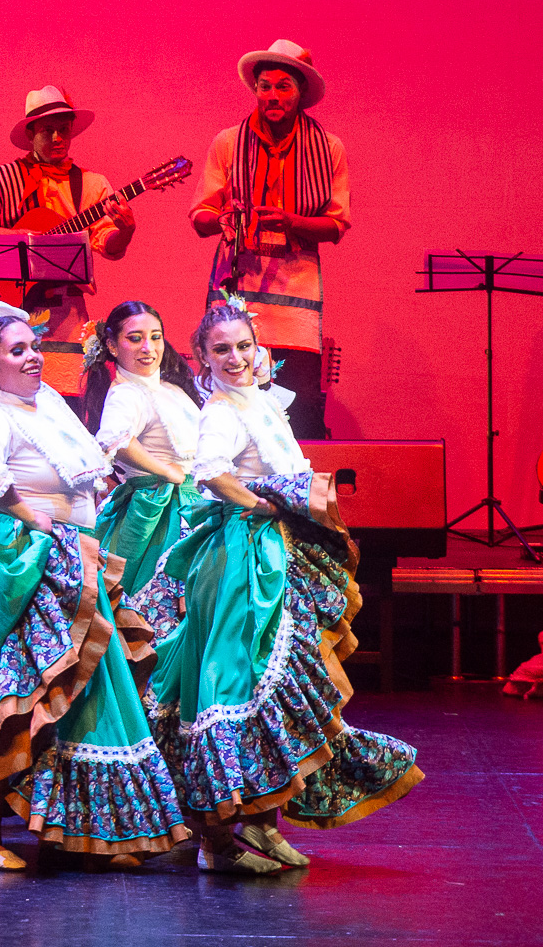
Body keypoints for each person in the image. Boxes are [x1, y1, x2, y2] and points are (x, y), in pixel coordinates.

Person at [0, 301, 187, 869]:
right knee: (12, 696)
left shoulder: (48, 404)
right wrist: (40, 520)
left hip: (68, 561)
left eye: (35, 347)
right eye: (19, 351)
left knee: (82, 693)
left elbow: (89, 472)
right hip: (17, 563)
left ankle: (90, 830)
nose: (34, 358)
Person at [147, 300, 421, 874]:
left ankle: (263, 823)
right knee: (235, 685)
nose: (235, 357)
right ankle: (216, 841)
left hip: (272, 555)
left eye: (243, 346)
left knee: (276, 687)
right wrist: (265, 506)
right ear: (203, 357)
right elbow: (210, 473)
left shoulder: (260, 400)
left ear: (258, 346)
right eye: (221, 349)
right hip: (243, 557)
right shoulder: (221, 410)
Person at [191, 40, 350, 440]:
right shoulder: (228, 142)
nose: (273, 96)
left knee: (298, 405)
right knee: (225, 400)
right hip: (237, 284)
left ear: (300, 94)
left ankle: (293, 495)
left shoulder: (329, 148)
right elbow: (200, 216)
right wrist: (221, 219)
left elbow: (336, 224)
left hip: (295, 293)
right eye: (265, 86)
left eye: (283, 87)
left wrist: (292, 221)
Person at [0, 87, 136, 403]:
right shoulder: (1, 180)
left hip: (66, 319)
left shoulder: (92, 185)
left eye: (63, 129)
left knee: (68, 404)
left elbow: (108, 244)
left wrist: (126, 230)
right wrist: (19, 237)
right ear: (31, 133)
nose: (56, 137)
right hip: (8, 313)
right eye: (47, 130)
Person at [82, 300, 207, 618]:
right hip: (159, 511)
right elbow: (115, 439)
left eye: (155, 336)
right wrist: (170, 472)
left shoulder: (170, 388)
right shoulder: (127, 393)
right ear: (111, 345)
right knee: (159, 615)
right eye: (135, 338)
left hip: (195, 503)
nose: (148, 347)